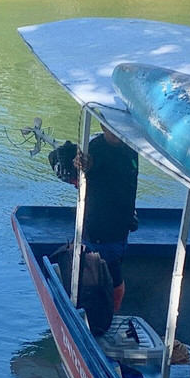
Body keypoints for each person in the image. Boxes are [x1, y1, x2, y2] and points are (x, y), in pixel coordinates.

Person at [51, 126, 139, 312]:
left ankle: (102, 313)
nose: (117, 132)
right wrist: (81, 163)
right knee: (109, 284)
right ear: (103, 126)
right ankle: (101, 318)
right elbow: (86, 163)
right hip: (99, 230)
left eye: (119, 127)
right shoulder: (95, 149)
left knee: (110, 280)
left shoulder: (131, 147)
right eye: (112, 128)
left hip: (121, 228)